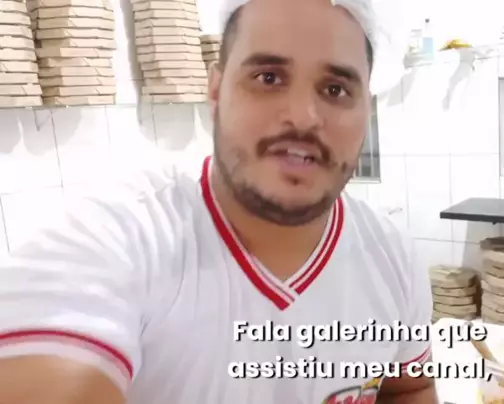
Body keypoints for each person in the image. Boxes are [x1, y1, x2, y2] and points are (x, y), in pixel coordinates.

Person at [0, 0, 437, 402]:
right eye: (268, 78)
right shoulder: (112, 242)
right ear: (216, 90)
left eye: (336, 89)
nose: (304, 117)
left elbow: (409, 388)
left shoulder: (392, 255)